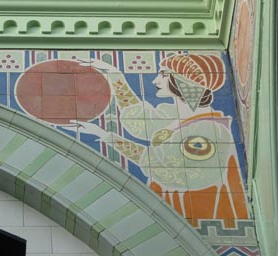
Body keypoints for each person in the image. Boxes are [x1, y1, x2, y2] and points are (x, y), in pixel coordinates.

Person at [70, 54, 249, 227]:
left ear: (182, 81)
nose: (155, 81)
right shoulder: (174, 116)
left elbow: (165, 166)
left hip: (193, 212)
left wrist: (108, 137)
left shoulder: (208, 129)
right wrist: (114, 75)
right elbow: (140, 121)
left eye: (163, 74)